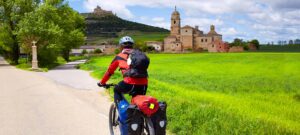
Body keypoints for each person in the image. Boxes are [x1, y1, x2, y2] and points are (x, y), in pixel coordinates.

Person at [98, 36, 148, 105]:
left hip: (129, 83)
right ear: (132, 46)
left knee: (116, 89)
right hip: (143, 84)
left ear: (121, 46)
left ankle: (122, 113)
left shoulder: (119, 56)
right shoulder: (139, 55)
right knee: (138, 104)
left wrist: (102, 82)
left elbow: (109, 72)